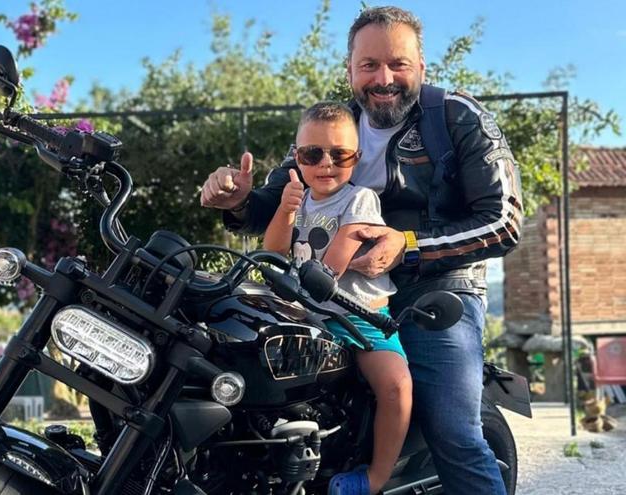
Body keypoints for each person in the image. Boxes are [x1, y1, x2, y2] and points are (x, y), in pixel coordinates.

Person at [200, 6, 522, 495]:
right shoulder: (329, 126)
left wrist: (408, 246)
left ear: (422, 67)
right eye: (369, 65)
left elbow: (503, 220)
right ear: (349, 70)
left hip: (437, 293)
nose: (384, 78)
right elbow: (278, 200)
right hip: (329, 291)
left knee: (453, 431)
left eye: (398, 63)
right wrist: (239, 200)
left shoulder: (456, 117)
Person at [263, 101, 410, 495]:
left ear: (356, 157)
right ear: (297, 157)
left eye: (339, 154)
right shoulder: (300, 199)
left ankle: (376, 477)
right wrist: (285, 210)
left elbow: (336, 259)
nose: (326, 163)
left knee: (396, 386)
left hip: (358, 316)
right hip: (310, 315)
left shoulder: (360, 199)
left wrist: (313, 284)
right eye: (313, 154)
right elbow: (273, 252)